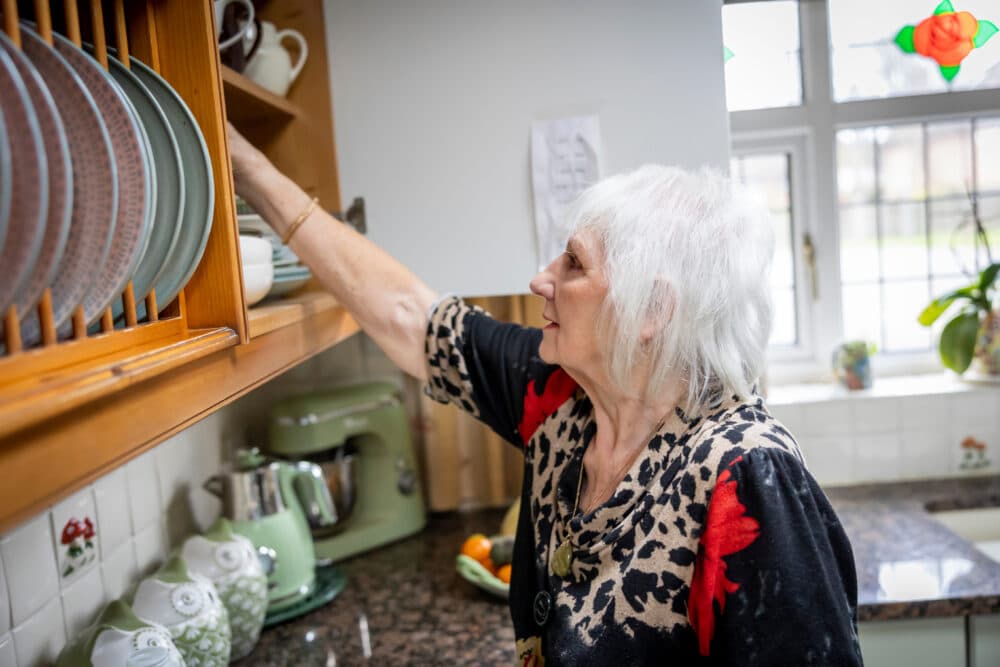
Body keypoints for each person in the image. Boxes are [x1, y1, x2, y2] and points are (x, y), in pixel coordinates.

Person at [228, 124, 863, 666]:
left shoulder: (747, 472)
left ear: (652, 310)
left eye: (573, 264)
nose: (540, 280)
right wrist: (246, 167)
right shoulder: (561, 401)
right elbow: (408, 316)